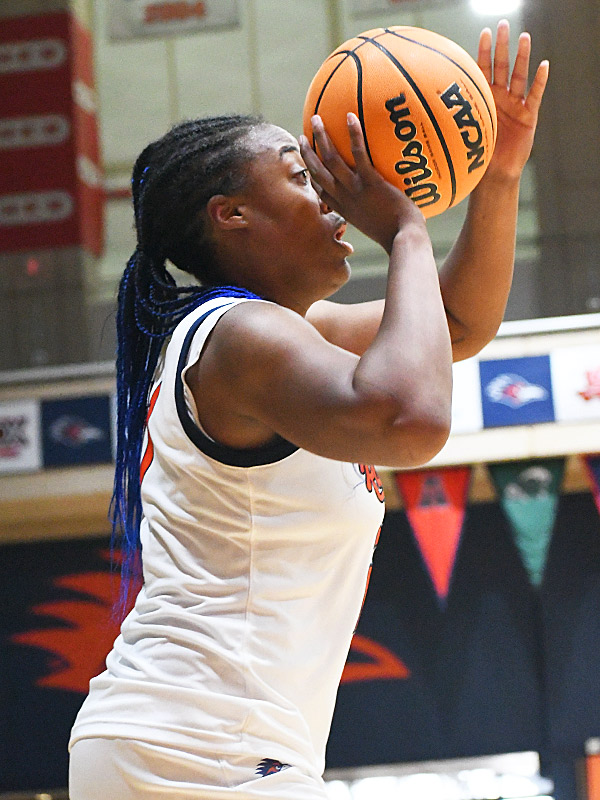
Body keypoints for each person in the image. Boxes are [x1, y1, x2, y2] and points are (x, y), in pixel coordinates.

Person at [69, 20, 548, 800]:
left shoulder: (270, 335)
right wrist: (405, 230)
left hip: (198, 739)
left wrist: (495, 179)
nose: (330, 194)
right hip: (199, 745)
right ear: (232, 216)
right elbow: (412, 420)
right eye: (301, 175)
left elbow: (455, 325)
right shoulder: (241, 337)